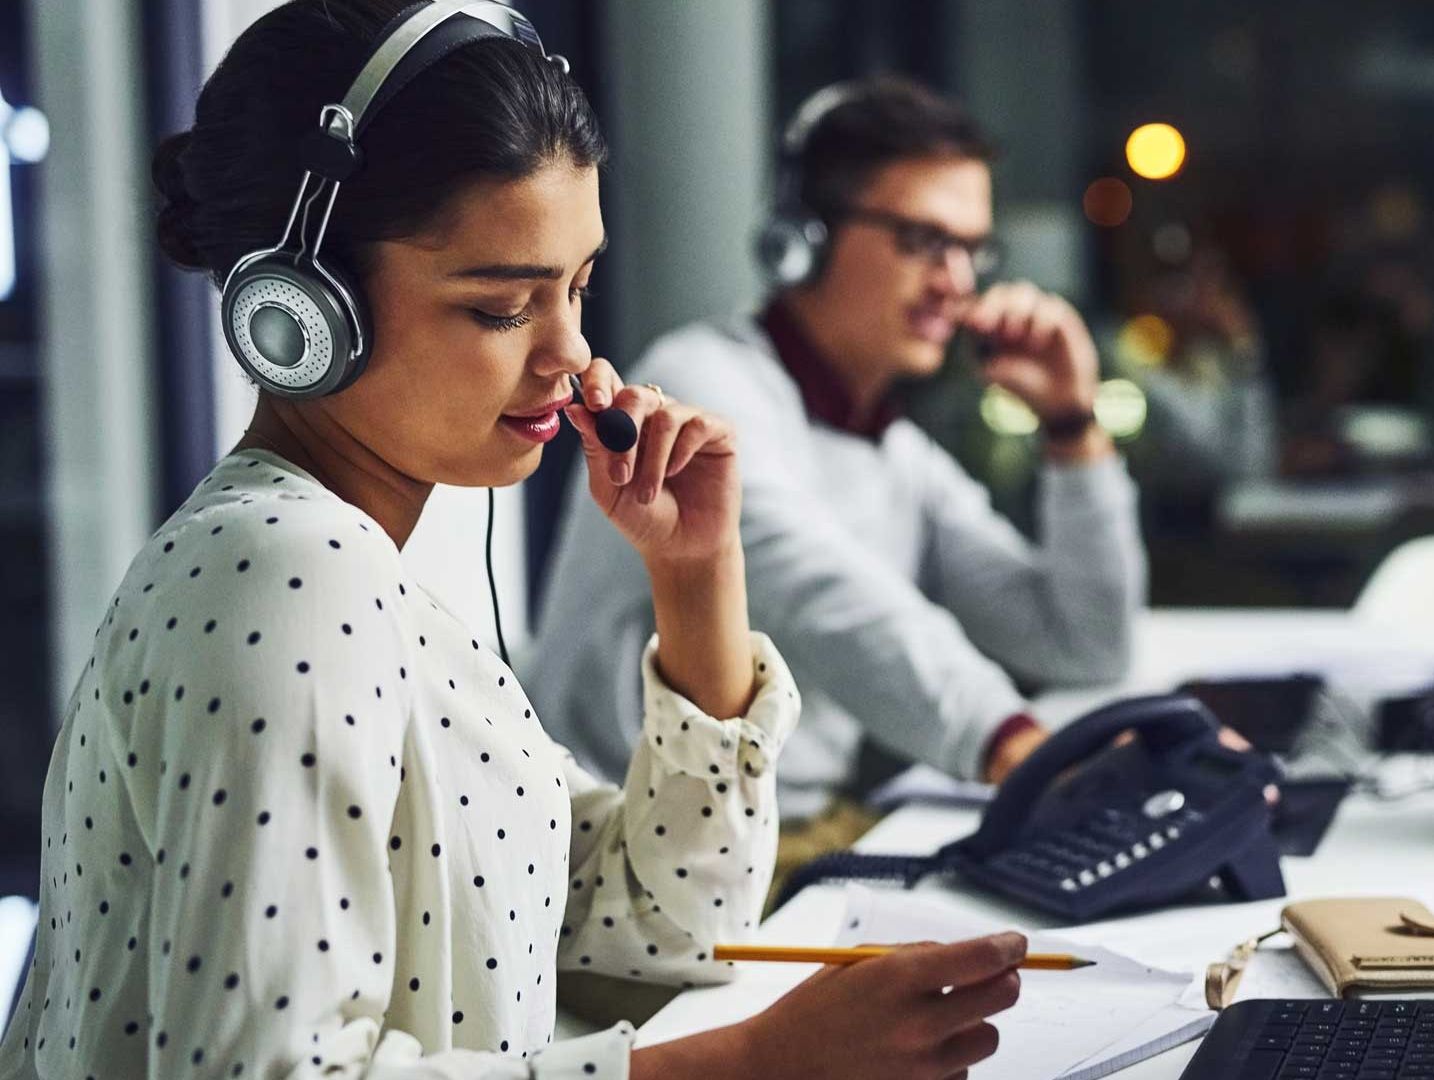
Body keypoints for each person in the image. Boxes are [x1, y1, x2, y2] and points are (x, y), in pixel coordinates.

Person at [0, 4, 1020, 1078]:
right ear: (303, 310)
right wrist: (749, 1065)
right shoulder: (285, 575)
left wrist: (695, 577)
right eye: (501, 309)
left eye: (576, 288)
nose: (574, 356)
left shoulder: (365, 577)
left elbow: (665, 925)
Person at [532, 77, 1148, 874]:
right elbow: (832, 598)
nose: (958, 282)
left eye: (972, 250)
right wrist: (1015, 744)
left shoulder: (895, 452)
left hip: (782, 838)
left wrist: (1072, 425)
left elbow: (1085, 641)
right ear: (806, 238)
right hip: (631, 858)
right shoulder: (698, 384)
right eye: (925, 240)